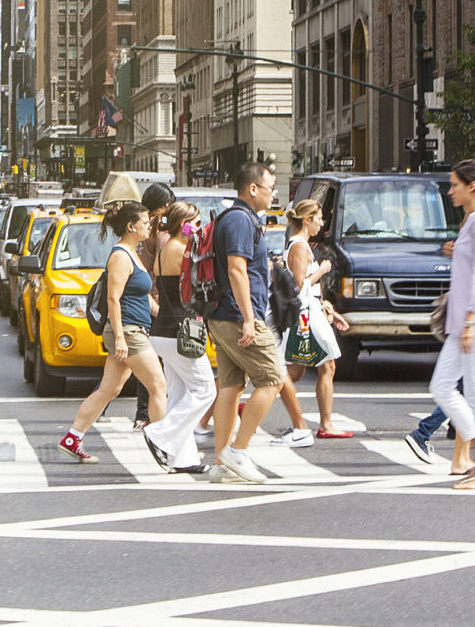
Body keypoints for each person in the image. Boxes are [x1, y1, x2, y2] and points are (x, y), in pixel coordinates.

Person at [61, 201, 170, 463]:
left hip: (133, 329)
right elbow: (113, 299)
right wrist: (120, 337)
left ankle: (72, 438)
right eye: (144, 222)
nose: (149, 226)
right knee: (158, 386)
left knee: (109, 389)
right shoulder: (120, 256)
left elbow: (142, 296)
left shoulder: (133, 253)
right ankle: (165, 447)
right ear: (131, 227)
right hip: (129, 332)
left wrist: (166, 317)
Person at [204, 161, 286, 486]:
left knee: (231, 386)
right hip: (238, 316)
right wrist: (250, 319)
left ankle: (222, 461)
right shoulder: (240, 219)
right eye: (270, 187)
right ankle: (237, 451)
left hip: (222, 315)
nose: (273, 193)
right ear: (253, 188)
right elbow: (237, 269)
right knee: (272, 380)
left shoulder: (231, 216)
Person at [426, 160, 475, 490]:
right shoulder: (474, 220)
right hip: (465, 322)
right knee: (443, 386)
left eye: (455, 184)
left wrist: (472, 318)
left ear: (473, 186)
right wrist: (455, 250)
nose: (451, 191)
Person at [142, 197, 214, 474]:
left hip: (166, 331)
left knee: (180, 393)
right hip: (178, 332)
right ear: (183, 225)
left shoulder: (168, 247)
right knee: (205, 389)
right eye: (195, 224)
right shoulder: (177, 248)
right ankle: (160, 434)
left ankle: (182, 459)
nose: (198, 229)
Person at [279, 199, 355, 438]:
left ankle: (253, 400)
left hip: (309, 311)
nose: (322, 224)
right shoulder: (300, 246)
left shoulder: (301, 245)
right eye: (319, 219)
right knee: (327, 365)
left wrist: (331, 311)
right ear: (307, 219)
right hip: (305, 315)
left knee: (294, 371)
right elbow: (300, 286)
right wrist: (321, 270)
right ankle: (326, 424)